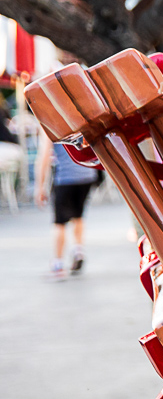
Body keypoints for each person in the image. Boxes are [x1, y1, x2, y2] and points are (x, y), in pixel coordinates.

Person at [37, 111, 100, 278]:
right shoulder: (78, 116)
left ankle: (58, 264)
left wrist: (40, 187)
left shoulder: (48, 121)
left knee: (60, 222)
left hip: (65, 178)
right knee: (78, 215)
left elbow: (43, 157)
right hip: (87, 175)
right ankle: (78, 250)